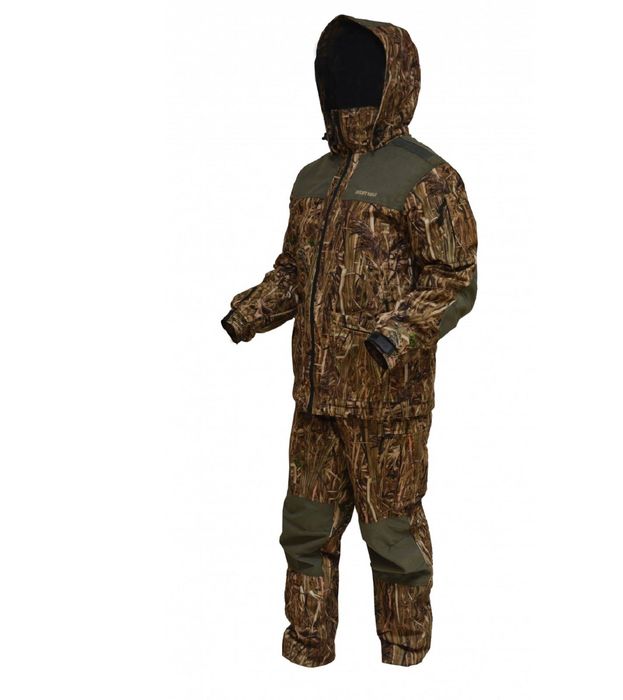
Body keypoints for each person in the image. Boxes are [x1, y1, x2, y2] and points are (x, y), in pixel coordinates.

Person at [221, 14, 478, 667]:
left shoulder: (426, 177)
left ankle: (405, 651)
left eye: (360, 71)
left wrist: (393, 337)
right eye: (335, 72)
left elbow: (452, 278)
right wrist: (249, 312)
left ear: (395, 79)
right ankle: (308, 645)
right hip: (314, 398)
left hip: (387, 403)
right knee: (305, 530)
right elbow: (294, 271)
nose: (344, 83)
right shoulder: (313, 177)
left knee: (392, 535)